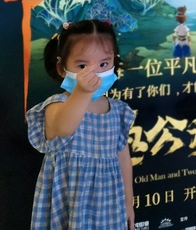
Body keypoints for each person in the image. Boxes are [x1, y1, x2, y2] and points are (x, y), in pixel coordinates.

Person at [26, 19, 135, 230]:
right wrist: (82, 92)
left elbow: (123, 160)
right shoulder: (56, 106)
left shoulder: (117, 111)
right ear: (61, 68)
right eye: (82, 66)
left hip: (108, 205)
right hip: (69, 201)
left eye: (103, 64)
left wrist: (128, 203)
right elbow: (63, 129)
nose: (94, 74)